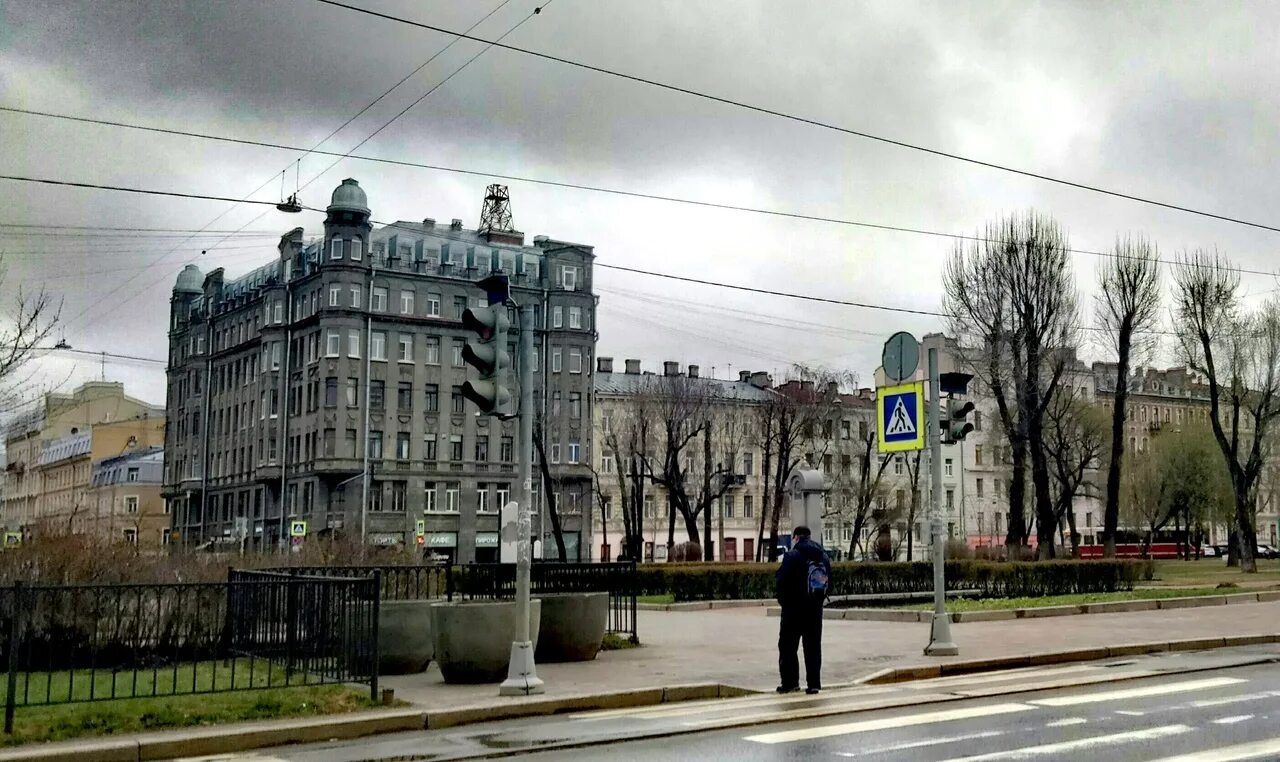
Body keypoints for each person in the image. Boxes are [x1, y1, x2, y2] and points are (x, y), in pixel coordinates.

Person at [774, 526, 831, 695]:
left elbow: (781, 580)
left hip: (793, 610)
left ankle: (790, 683)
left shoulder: (792, 556)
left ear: (796, 538)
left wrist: (783, 601)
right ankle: (814, 684)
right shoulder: (823, 556)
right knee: (813, 647)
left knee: (788, 646)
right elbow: (830, 581)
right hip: (814, 610)